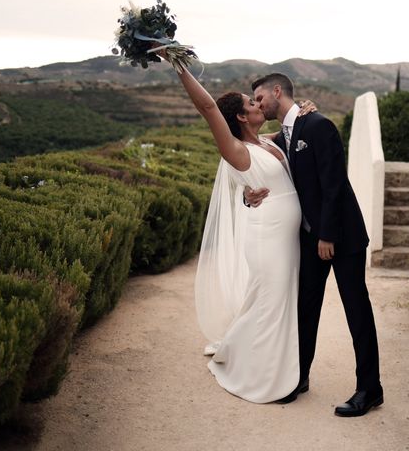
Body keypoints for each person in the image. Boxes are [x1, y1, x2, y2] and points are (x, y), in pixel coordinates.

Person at [161, 54, 316, 403]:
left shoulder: (267, 141)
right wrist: (176, 63)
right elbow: (207, 107)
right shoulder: (236, 149)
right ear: (241, 117)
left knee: (274, 301)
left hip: (284, 237)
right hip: (266, 238)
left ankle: (247, 354)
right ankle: (265, 379)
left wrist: (306, 107)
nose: (258, 103)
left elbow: (293, 129)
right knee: (271, 304)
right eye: (251, 102)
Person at [245, 73, 383, 417]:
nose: (259, 105)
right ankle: (298, 377)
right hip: (310, 238)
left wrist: (327, 235)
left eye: (260, 98)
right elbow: (254, 158)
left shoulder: (320, 126)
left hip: (341, 236)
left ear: (278, 91)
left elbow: (334, 184)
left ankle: (370, 389)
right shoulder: (285, 134)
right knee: (304, 308)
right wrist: (248, 194)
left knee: (356, 310)